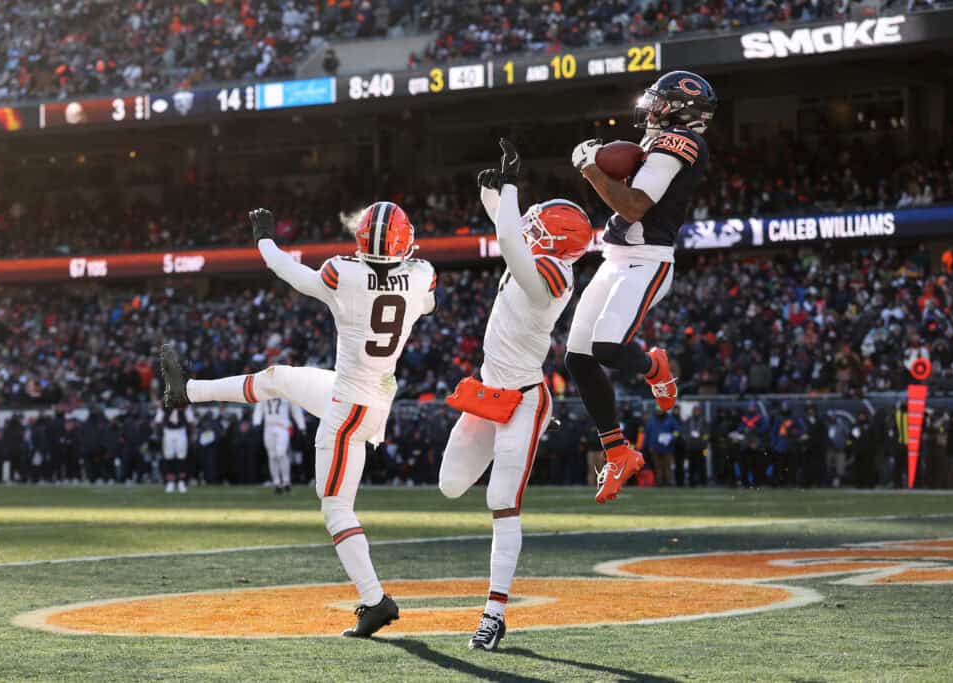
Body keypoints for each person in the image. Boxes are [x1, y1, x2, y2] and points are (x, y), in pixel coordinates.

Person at [160, 201, 436, 638]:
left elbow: (288, 271)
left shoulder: (342, 274)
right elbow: (427, 301)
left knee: (336, 508)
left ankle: (375, 600)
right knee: (279, 378)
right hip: (369, 392)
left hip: (349, 407)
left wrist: (264, 238)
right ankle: (187, 391)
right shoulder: (421, 274)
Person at [438, 139, 592, 651]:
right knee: (449, 485)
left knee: (501, 501)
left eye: (541, 227)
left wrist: (508, 188)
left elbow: (510, 237)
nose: (532, 226)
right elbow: (512, 225)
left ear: (557, 243)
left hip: (524, 400)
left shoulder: (551, 278)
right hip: (488, 392)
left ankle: (494, 613)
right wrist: (490, 189)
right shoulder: (541, 252)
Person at [565, 70, 717, 503]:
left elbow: (633, 206)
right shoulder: (656, 142)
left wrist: (591, 169)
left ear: (682, 109)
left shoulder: (680, 144)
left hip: (646, 261)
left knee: (608, 349)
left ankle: (655, 367)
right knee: (578, 358)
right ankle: (618, 451)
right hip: (616, 257)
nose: (651, 107)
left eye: (660, 101)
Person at [253, 395, 307, 493]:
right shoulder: (265, 391)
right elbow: (259, 408)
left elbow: (295, 410)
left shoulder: (285, 391)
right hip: (268, 427)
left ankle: (286, 481)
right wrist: (257, 422)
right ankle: (277, 483)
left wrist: (301, 425)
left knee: (281, 453)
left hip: (283, 427)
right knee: (272, 456)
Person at [154, 404, 195, 492]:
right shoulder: (164, 403)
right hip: (168, 431)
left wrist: (192, 434)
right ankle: (170, 482)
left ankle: (181, 482)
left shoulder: (184, 404)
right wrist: (157, 433)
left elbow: (191, 420)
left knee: (181, 457)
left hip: (181, 431)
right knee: (169, 457)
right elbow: (158, 420)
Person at [645, 407, 680, 486]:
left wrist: (672, 437)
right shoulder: (652, 420)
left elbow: (677, 431)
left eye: (661, 410)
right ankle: (659, 482)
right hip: (655, 447)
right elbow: (648, 433)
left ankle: (669, 482)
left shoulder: (670, 419)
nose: (659, 412)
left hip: (667, 447)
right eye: (658, 410)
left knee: (667, 466)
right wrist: (648, 445)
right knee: (657, 466)